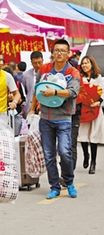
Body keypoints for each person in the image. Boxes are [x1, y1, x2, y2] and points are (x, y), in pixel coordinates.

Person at [28, 39, 80, 199]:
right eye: (56, 50)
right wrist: (31, 109)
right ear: (52, 52)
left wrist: (56, 93)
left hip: (64, 118)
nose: (59, 53)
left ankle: (69, 182)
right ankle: (54, 187)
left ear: (68, 54)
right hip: (45, 118)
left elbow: (73, 92)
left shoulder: (73, 72)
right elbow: (37, 89)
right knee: (49, 155)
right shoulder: (44, 70)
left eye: (62, 51)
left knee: (65, 152)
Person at [77, 55, 104, 174]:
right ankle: (85, 154)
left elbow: (103, 92)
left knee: (94, 135)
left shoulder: (99, 78)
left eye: (87, 63)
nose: (84, 65)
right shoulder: (79, 78)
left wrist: (99, 102)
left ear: (92, 64)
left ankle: (93, 162)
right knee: (83, 134)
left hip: (96, 109)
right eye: (83, 63)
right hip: (83, 110)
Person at [22, 51, 44, 119]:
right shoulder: (26, 75)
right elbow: (24, 91)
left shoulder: (47, 73)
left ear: (43, 61)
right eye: (35, 63)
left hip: (43, 106)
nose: (38, 65)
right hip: (30, 106)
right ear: (31, 62)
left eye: (39, 62)